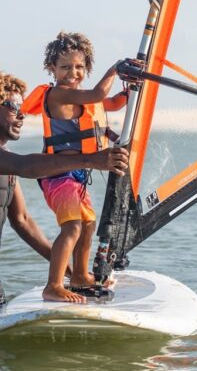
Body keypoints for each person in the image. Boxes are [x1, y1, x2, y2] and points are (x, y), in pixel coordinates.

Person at [0, 70, 128, 314]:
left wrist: (71, 271)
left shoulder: (1, 160)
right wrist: (92, 160)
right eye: (13, 108)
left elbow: (23, 221)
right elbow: (26, 166)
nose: (22, 115)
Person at [21, 31, 128, 302]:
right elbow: (99, 93)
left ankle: (79, 275)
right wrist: (115, 69)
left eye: (80, 67)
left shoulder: (82, 98)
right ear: (52, 69)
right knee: (72, 228)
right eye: (65, 67)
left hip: (78, 175)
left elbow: (112, 102)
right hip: (58, 174)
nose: (73, 72)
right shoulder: (58, 95)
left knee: (88, 225)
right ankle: (53, 285)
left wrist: (134, 90)